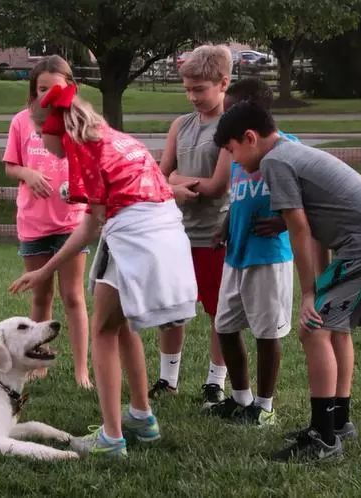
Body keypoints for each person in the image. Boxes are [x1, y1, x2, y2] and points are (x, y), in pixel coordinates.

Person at [9, 83, 197, 458]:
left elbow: (89, 227)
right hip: (162, 230)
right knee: (121, 326)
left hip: (134, 236)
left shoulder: (84, 149)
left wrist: (45, 269)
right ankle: (142, 419)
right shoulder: (112, 136)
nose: (44, 147)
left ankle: (112, 439)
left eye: (42, 137)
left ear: (54, 129)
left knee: (103, 331)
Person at [214, 102, 361, 463]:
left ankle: (323, 438)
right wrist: (318, 286)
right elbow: (317, 230)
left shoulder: (275, 162)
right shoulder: (291, 154)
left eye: (232, 151)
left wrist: (308, 295)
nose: (235, 161)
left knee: (313, 328)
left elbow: (299, 228)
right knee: (334, 327)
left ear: (250, 138)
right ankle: (338, 422)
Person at [205, 78, 297, 426]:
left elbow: (305, 197)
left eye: (233, 110)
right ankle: (241, 399)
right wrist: (225, 227)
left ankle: (264, 406)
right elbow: (237, 197)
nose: (225, 115)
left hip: (268, 256)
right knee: (225, 325)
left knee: (266, 332)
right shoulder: (235, 150)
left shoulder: (285, 147)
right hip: (236, 253)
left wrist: (283, 223)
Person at [151, 44, 232, 408]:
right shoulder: (179, 125)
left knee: (220, 313)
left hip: (217, 235)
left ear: (223, 83)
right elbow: (158, 175)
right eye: (187, 89)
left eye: (200, 89)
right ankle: (168, 379)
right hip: (176, 235)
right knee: (171, 310)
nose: (192, 96)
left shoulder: (232, 126)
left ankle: (215, 383)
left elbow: (218, 186)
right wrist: (173, 184)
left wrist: (178, 182)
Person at [3, 55, 91, 388]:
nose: (47, 97)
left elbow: (90, 165)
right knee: (41, 296)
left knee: (73, 296)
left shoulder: (77, 122)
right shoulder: (21, 122)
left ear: (71, 89)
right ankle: (38, 360)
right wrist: (27, 173)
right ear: (33, 90)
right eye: (41, 90)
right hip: (33, 223)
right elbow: (11, 166)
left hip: (71, 223)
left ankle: (82, 369)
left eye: (55, 90)